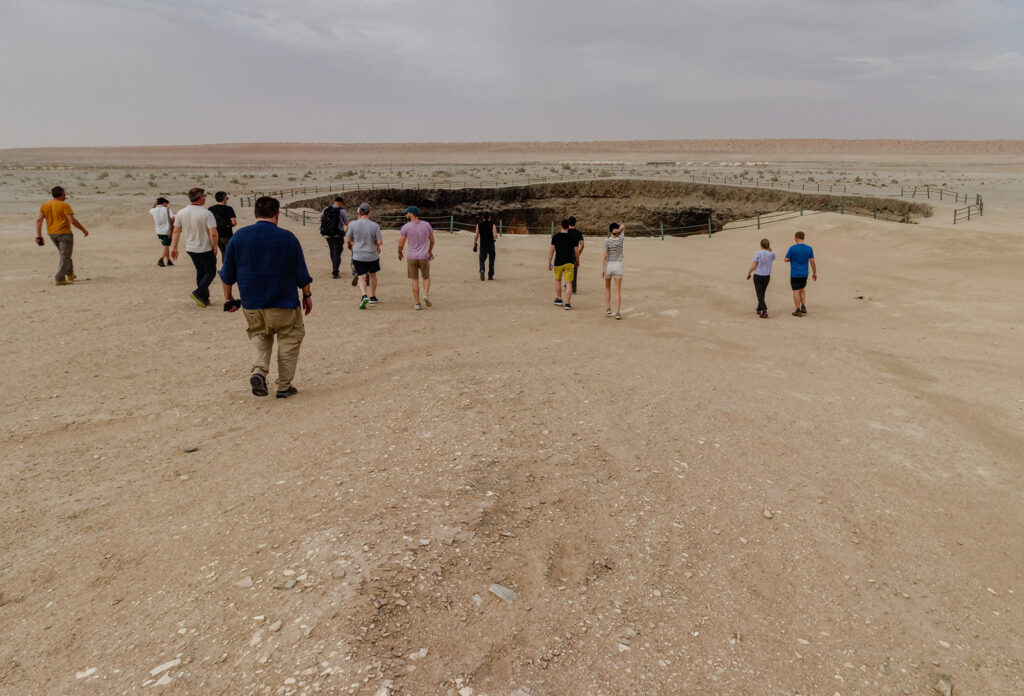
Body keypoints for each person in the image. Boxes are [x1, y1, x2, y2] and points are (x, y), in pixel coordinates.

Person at [220, 196, 312, 399]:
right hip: (283, 302)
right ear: (277, 214)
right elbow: (301, 273)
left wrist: (228, 298)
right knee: (290, 337)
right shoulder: (288, 238)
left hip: (252, 302)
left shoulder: (239, 237)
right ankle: (284, 386)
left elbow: (227, 274)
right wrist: (307, 295)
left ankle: (258, 372)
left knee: (259, 335)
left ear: (255, 214)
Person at [171, 187, 219, 308]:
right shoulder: (206, 213)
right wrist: (215, 245)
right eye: (204, 196)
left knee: (200, 271)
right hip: (204, 247)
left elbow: (176, 231)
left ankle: (204, 298)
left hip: (191, 248)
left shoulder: (181, 212)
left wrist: (174, 247)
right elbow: (213, 233)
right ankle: (198, 292)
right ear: (201, 197)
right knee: (211, 272)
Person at [35, 186, 89, 285]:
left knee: (64, 254)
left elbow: (39, 220)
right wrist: (83, 230)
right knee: (65, 256)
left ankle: (70, 273)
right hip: (64, 234)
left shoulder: (45, 205)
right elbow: (72, 220)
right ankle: (59, 278)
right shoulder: (64, 205)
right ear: (63, 194)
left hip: (52, 234)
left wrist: (38, 235)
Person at [346, 202, 383, 309]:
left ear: (359, 212)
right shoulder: (375, 225)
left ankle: (363, 296)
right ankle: (372, 297)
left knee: (361, 277)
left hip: (358, 255)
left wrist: (350, 244)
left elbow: (347, 239)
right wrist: (376, 244)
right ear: (369, 212)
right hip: (372, 255)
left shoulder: (352, 224)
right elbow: (380, 241)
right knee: (373, 276)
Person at [398, 206, 435, 310]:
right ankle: (426, 294)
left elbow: (401, 244)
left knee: (414, 280)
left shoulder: (406, 227)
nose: (405, 215)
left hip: (412, 256)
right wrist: (429, 251)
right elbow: (432, 240)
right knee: (426, 277)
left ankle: (417, 303)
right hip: (424, 256)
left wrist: (400, 252)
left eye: (407, 213)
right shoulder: (426, 225)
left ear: (412, 214)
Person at [547, 218, 580, 310]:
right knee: (569, 283)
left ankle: (559, 299)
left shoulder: (555, 237)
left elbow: (551, 251)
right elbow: (576, 251)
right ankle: (568, 304)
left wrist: (549, 262)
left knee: (558, 280)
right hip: (569, 262)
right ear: (569, 227)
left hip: (558, 262)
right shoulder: (572, 238)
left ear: (561, 226)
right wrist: (577, 261)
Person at [784, 231, 817, 317]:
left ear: (796, 238)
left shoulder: (792, 248)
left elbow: (786, 259)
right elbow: (812, 261)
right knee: (802, 289)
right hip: (804, 273)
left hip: (795, 273)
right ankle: (803, 306)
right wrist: (814, 272)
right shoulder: (809, 248)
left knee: (796, 291)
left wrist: (792, 259)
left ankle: (798, 309)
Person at [319, 196, 350, 279]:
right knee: (338, 251)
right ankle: (335, 271)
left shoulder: (326, 209)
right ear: (341, 203)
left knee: (332, 250)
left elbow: (320, 220)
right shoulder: (342, 211)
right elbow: (347, 223)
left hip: (327, 234)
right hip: (337, 234)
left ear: (334, 202)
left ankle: (334, 267)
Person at [601, 222, 626, 319]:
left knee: (607, 287)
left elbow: (605, 256)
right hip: (618, 265)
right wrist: (619, 230)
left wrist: (603, 269)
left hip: (609, 265)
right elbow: (624, 226)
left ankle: (608, 308)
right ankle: (618, 313)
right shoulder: (620, 239)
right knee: (617, 290)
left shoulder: (606, 241)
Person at [746, 238, 775, 318]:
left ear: (761, 245)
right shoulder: (771, 253)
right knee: (762, 293)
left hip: (758, 275)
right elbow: (772, 259)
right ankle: (759, 308)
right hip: (766, 276)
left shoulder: (757, 253)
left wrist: (749, 273)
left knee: (759, 293)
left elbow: (754, 265)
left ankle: (764, 310)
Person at [208, 191, 237, 257]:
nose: (227, 199)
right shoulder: (229, 209)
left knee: (223, 252)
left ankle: (225, 266)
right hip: (227, 234)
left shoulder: (211, 209)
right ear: (224, 198)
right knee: (230, 253)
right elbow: (234, 222)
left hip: (216, 234)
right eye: (226, 198)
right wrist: (228, 225)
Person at [150, 197, 175, 267]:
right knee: (166, 245)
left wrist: (155, 204)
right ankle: (161, 259)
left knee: (165, 246)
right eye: (166, 203)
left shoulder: (153, 210)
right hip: (167, 230)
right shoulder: (167, 209)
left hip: (158, 230)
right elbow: (172, 218)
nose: (167, 205)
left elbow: (151, 209)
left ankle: (169, 261)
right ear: (164, 203)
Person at [473, 212, 497, 280]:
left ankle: (482, 269)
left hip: (483, 245)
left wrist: (475, 243)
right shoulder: (493, 225)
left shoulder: (479, 225)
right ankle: (490, 275)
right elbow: (495, 236)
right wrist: (493, 237)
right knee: (491, 261)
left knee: (482, 259)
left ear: (483, 218)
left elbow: (476, 235)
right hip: (491, 245)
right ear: (489, 218)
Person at [568, 215, 584, 294]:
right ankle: (573, 289)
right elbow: (582, 245)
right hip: (575, 253)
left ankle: (567, 284)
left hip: (566, 253)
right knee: (574, 270)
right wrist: (579, 253)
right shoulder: (578, 233)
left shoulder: (566, 232)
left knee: (566, 268)